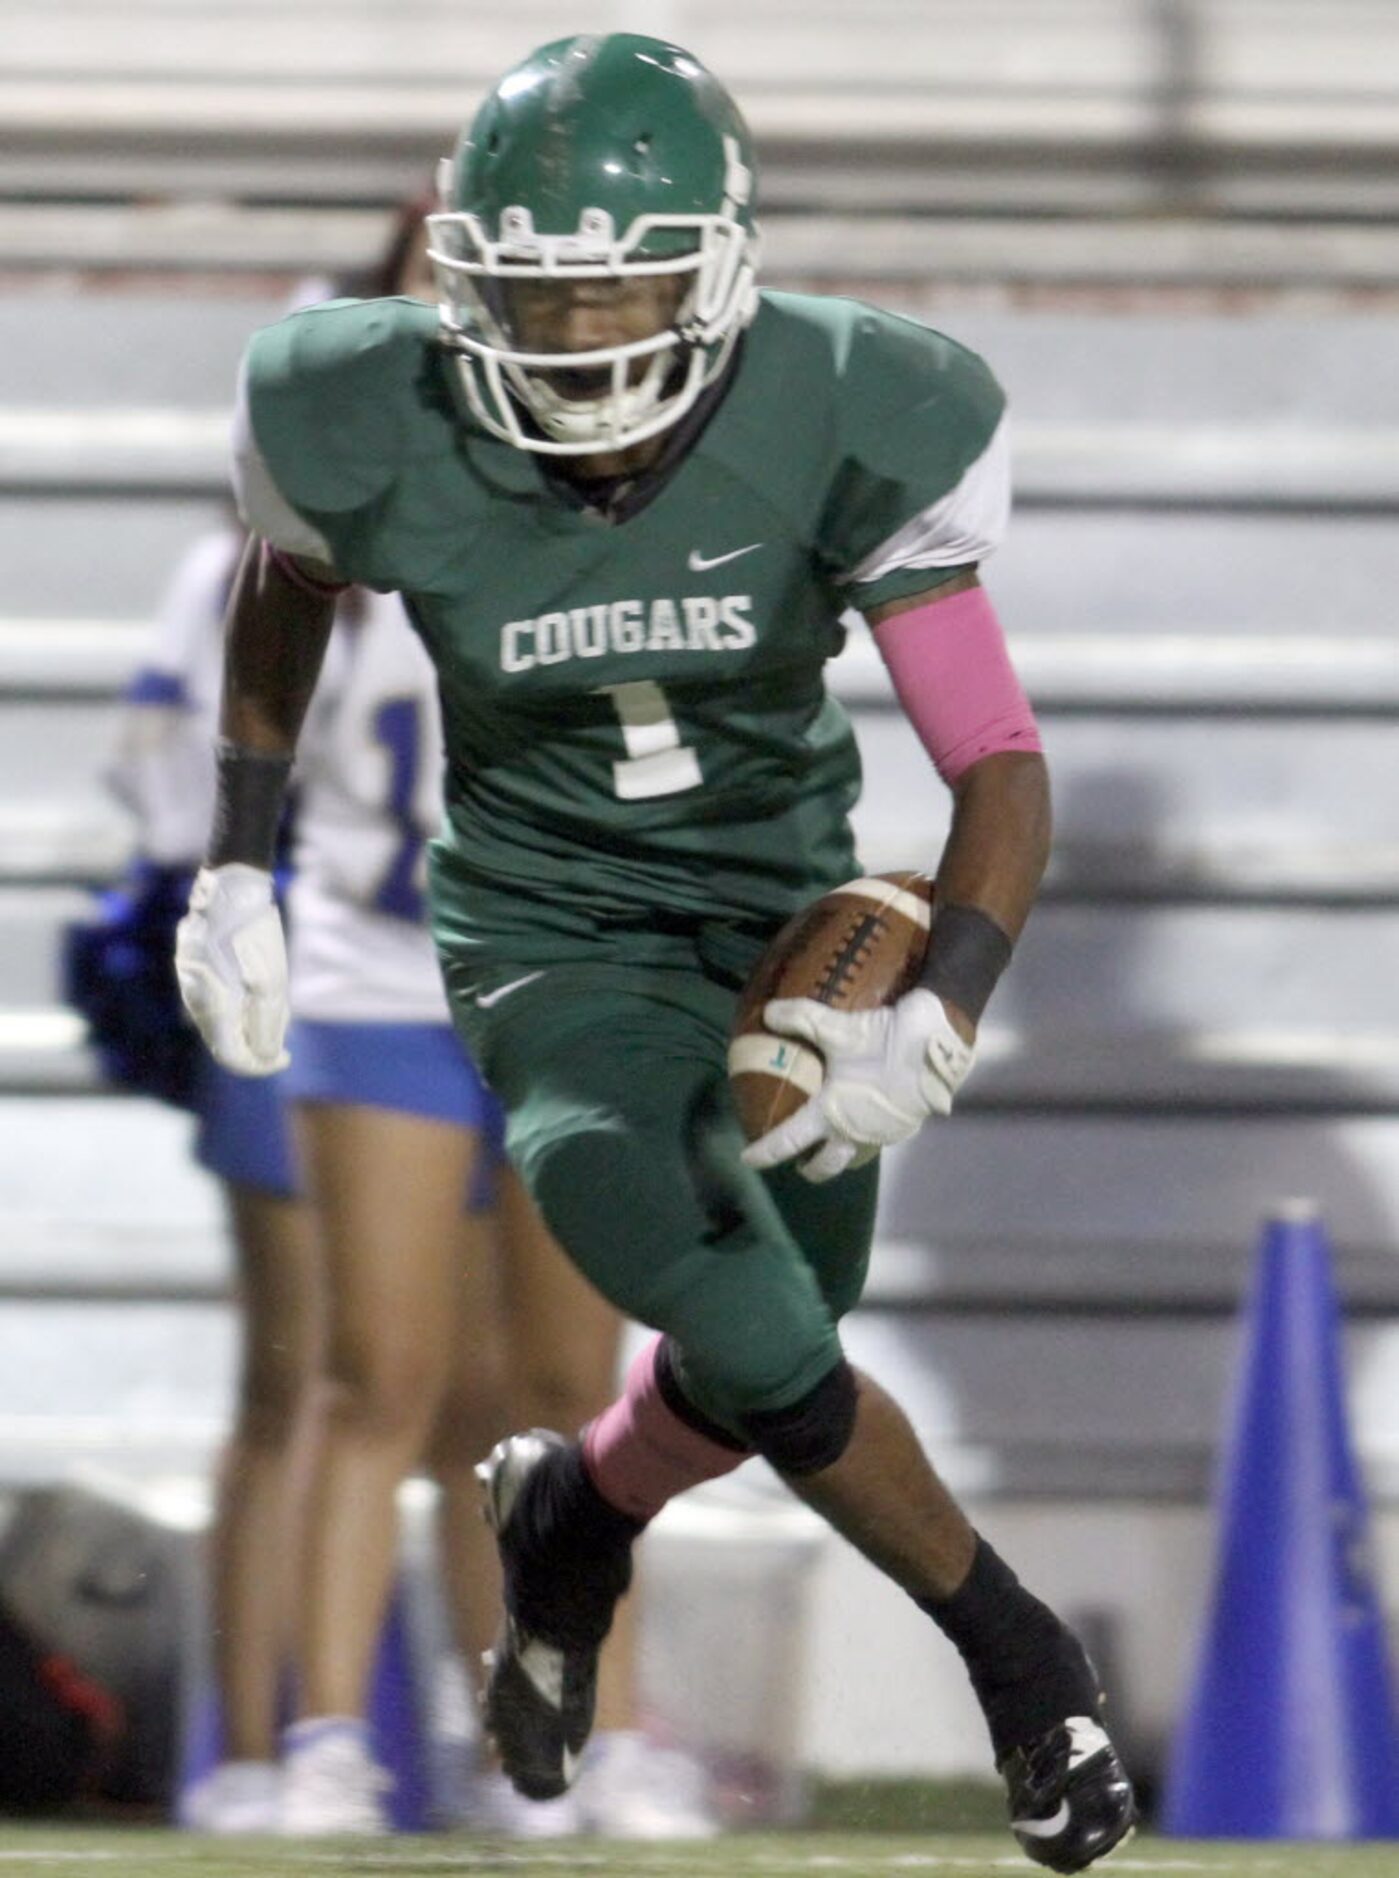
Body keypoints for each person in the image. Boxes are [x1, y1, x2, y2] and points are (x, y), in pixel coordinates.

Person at [173, 31, 1137, 1872]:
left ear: (719, 261)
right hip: (551, 940)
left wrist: (944, 999)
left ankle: (577, 1520)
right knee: (751, 1315)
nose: (574, 332)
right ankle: (1025, 1663)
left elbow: (997, 758)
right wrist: (240, 855)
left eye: (615, 272)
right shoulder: (371, 408)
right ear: (462, 283)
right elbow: (285, 587)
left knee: (784, 1337)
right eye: (528, 292)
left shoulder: (845, 401)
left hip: (783, 912)